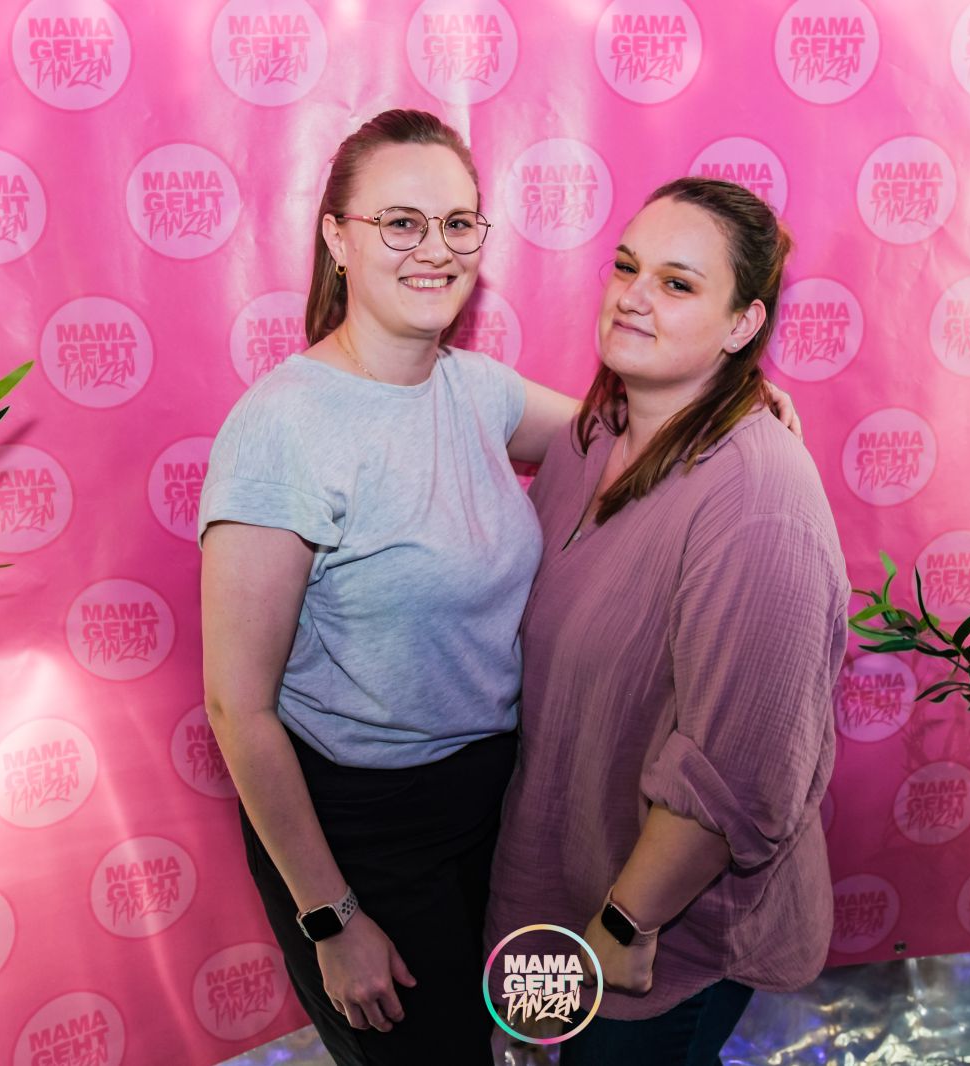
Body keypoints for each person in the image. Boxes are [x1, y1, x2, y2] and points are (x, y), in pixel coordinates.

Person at [199, 109, 803, 1065]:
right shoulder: (283, 430)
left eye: (457, 222)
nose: (434, 248)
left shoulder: (475, 390)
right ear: (337, 238)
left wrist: (733, 391)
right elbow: (238, 708)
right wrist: (330, 917)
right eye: (400, 222)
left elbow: (626, 430)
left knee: (514, 1036)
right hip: (361, 828)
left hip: (494, 800)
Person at [485, 177, 850, 1066]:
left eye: (678, 283)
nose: (633, 295)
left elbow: (740, 776)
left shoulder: (759, 503)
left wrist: (623, 923)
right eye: (626, 267)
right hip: (553, 885)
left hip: (651, 941)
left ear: (743, 325)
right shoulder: (593, 435)